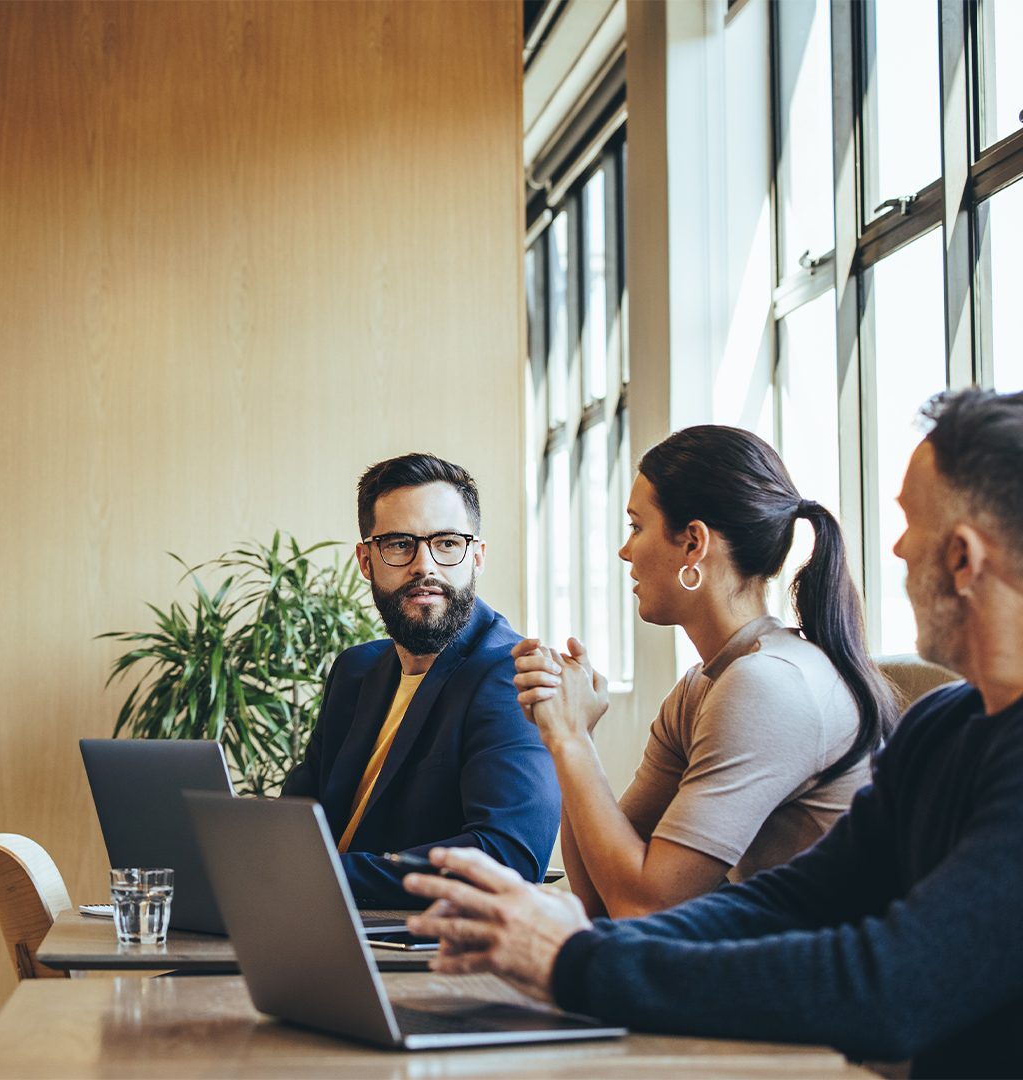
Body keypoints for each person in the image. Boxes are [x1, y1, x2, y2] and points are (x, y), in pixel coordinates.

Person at [404, 388, 1023, 1078]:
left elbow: (891, 984)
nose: (899, 546)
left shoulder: (775, 685)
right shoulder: (944, 725)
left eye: (912, 524)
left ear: (964, 559)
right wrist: (576, 945)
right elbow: (790, 900)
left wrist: (579, 960)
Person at [510, 426, 894, 917]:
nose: (626, 551)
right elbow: (598, 899)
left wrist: (571, 738)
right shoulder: (703, 686)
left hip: (830, 979)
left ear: (693, 544)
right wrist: (564, 735)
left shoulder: (768, 684)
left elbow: (642, 907)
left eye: (635, 526)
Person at [282, 453, 558, 908]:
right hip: (315, 925)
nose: (424, 566)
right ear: (366, 560)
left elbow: (507, 857)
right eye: (398, 543)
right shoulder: (355, 671)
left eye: (447, 543)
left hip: (424, 952)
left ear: (477, 557)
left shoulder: (509, 674)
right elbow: (295, 820)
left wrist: (321, 877)